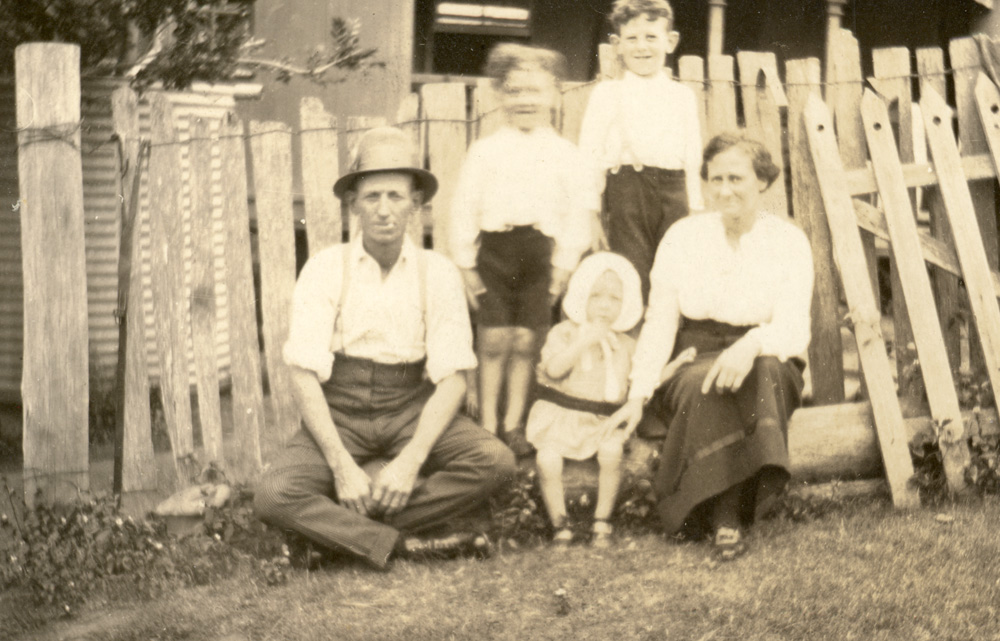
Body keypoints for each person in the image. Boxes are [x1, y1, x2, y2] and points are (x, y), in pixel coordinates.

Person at [254, 127, 517, 569]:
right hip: (340, 412)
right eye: (371, 196)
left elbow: (453, 379)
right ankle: (398, 544)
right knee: (274, 494)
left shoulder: (438, 272)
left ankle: (338, 536)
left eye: (396, 197)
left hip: (410, 408)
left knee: (495, 462)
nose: (383, 210)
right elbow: (302, 373)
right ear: (353, 204)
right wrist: (341, 466)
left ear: (416, 205)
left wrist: (411, 462)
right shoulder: (325, 268)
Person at [607, 133, 814, 561]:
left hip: (769, 352)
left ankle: (723, 511)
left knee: (762, 374)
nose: (723, 190)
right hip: (695, 353)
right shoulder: (683, 237)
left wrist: (752, 344)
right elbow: (660, 322)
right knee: (707, 381)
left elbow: (794, 326)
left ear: (762, 181)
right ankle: (729, 512)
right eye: (714, 179)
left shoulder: (789, 241)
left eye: (736, 178)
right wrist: (638, 393)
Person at [450, 43, 598, 455]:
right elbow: (464, 208)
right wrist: (466, 265)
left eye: (535, 91)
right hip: (494, 254)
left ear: (554, 94)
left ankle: (514, 424)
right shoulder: (484, 152)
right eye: (514, 91)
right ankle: (487, 424)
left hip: (540, 256)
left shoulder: (566, 155)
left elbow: (577, 214)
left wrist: (564, 267)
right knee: (494, 339)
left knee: (526, 341)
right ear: (499, 96)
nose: (525, 100)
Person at [526, 252, 695, 548]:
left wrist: (674, 367)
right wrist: (584, 341)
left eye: (614, 299)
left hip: (604, 420)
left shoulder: (627, 344)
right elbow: (553, 370)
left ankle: (602, 521)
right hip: (562, 416)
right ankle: (560, 525)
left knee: (612, 451)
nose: (604, 305)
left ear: (626, 303)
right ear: (581, 296)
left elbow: (644, 381)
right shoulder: (565, 333)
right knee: (547, 459)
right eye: (596, 296)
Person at [579, 0, 703, 303]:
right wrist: (591, 213)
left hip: (675, 193)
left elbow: (693, 155)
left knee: (674, 271)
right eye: (632, 39)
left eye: (651, 37)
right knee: (632, 271)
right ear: (617, 45)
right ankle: (634, 343)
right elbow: (589, 157)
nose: (642, 47)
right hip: (626, 192)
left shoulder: (682, 95)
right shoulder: (607, 94)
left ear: (670, 41)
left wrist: (696, 207)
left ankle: (669, 345)